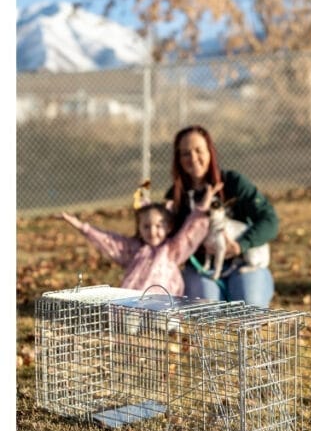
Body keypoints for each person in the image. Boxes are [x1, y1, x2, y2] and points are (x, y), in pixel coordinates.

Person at [166, 125, 279, 306]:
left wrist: (241, 245)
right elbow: (169, 241)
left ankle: (258, 284)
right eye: (185, 153)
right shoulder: (176, 196)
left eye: (198, 150)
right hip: (202, 267)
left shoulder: (233, 183)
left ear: (210, 152)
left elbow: (270, 221)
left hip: (241, 261)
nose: (193, 158)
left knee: (249, 304)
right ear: (178, 159)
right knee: (203, 309)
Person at [62, 185, 216, 296]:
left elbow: (191, 229)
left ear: (168, 227)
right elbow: (108, 240)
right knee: (129, 322)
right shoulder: (133, 248)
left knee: (164, 322)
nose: (152, 231)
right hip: (135, 303)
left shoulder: (172, 250)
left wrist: (205, 204)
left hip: (163, 303)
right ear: (139, 228)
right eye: (146, 226)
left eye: (158, 226)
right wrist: (80, 226)